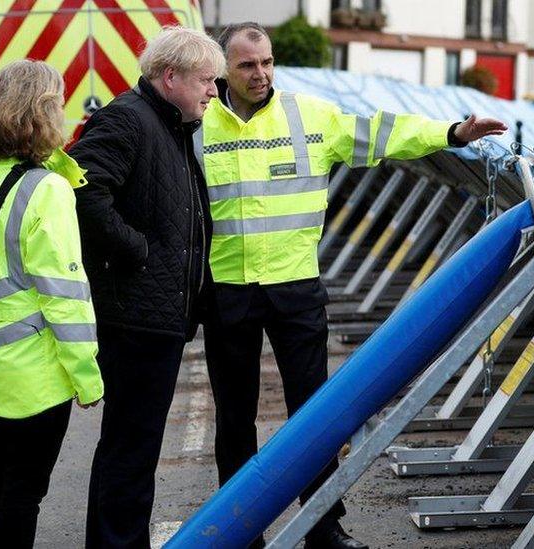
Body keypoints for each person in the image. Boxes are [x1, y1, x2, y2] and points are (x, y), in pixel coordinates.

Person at [198, 22, 508, 549]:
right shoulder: (198, 126)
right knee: (234, 419)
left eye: (267, 62)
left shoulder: (308, 116)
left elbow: (383, 132)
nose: (261, 73)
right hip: (227, 289)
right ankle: (241, 530)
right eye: (248, 65)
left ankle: (323, 527)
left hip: (295, 287)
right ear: (223, 68)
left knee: (316, 416)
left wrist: (452, 134)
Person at [68, 26, 225, 548]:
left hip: (154, 314)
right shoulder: (128, 120)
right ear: (170, 76)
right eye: (206, 80)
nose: (212, 91)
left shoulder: (170, 125)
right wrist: (140, 253)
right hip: (133, 316)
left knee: (133, 446)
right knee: (130, 448)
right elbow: (85, 196)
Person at [0, 59, 104, 548]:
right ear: (42, 114)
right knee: (22, 493)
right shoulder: (48, 190)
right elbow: (65, 296)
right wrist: (87, 376)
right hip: (35, 375)